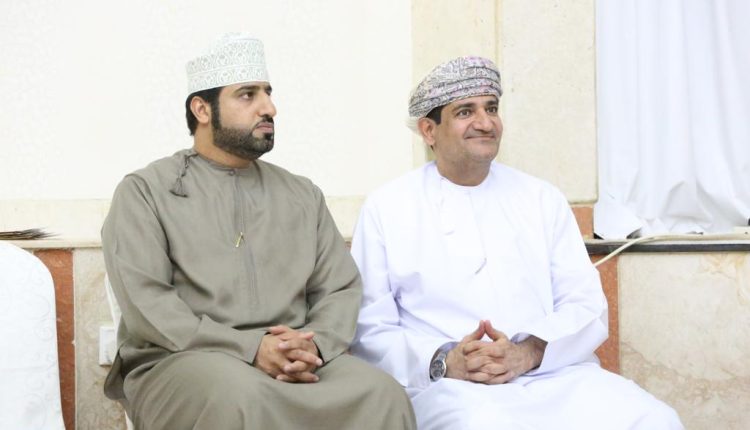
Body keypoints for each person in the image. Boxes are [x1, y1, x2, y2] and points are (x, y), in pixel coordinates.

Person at [350, 56, 684, 429]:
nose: (485, 122)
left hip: (553, 376)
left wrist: (527, 352)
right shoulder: (387, 207)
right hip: (452, 389)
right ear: (429, 130)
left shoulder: (541, 198)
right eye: (465, 112)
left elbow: (586, 304)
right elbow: (369, 329)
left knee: (655, 419)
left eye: (491, 108)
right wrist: (445, 360)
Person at [101, 33, 415, 429]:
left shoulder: (301, 194)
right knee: (238, 396)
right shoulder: (146, 191)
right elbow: (149, 306)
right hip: (182, 360)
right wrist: (251, 348)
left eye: (267, 93)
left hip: (297, 357)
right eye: (248, 95)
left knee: (382, 394)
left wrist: (313, 344)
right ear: (202, 109)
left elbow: (338, 288)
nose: (269, 108)